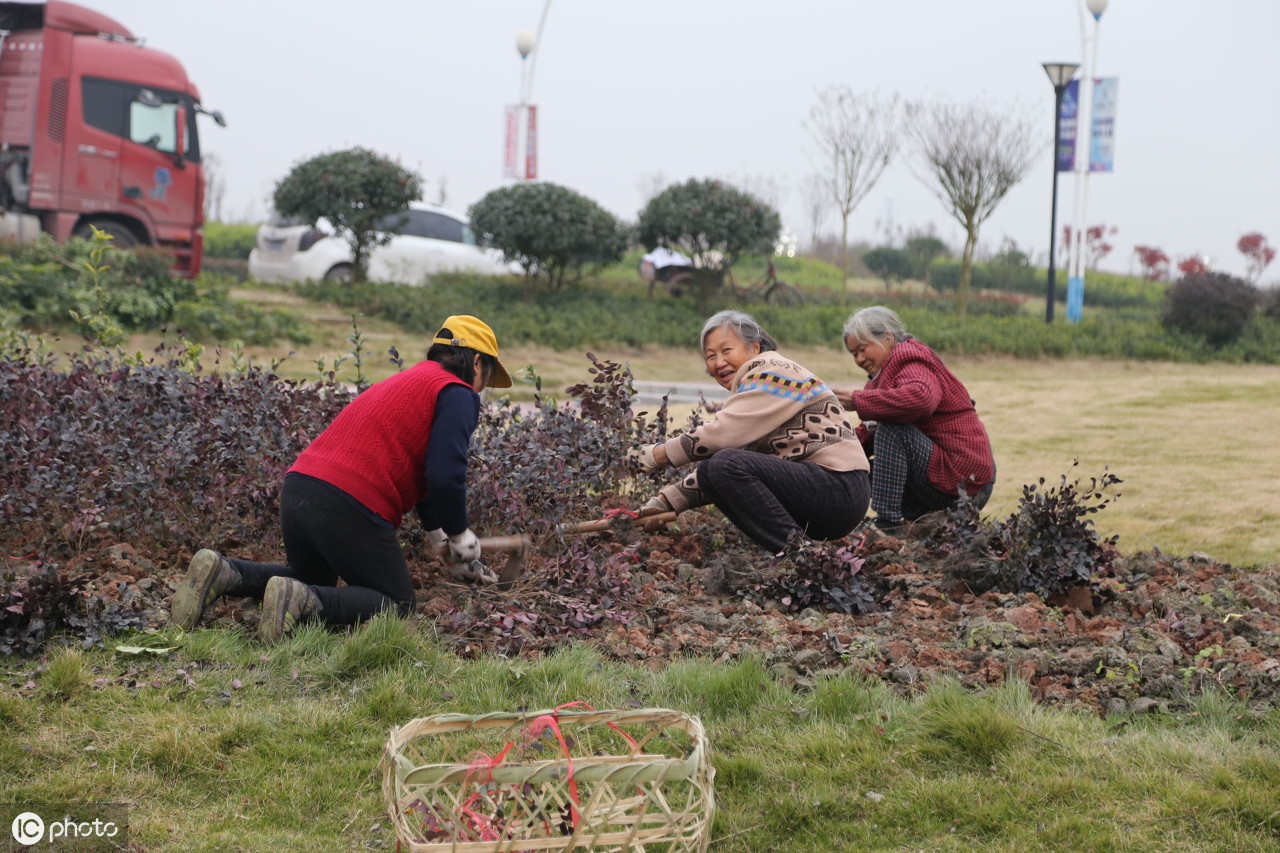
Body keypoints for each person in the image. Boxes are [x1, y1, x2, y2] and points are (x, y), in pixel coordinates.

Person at [169, 315, 512, 644]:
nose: (482, 389)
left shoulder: (409, 382)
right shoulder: (458, 392)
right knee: (397, 602)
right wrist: (460, 533)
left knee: (312, 582)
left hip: (301, 486)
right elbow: (445, 473)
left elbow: (424, 474)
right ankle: (300, 601)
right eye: (487, 377)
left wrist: (440, 537)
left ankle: (225, 572)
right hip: (350, 500)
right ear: (477, 362)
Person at [630, 310, 870, 554]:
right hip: (825, 492)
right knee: (713, 470)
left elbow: (723, 435)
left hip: (838, 487)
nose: (718, 362)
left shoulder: (773, 371)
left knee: (723, 464)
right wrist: (664, 503)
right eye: (710, 356)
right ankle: (800, 557)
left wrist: (655, 455)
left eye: (726, 350)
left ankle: (803, 558)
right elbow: (720, 468)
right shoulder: (754, 390)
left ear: (755, 347)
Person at [835, 306, 995, 531]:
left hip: (962, 479)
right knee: (861, 473)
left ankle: (887, 526)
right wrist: (832, 454)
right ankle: (835, 521)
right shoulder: (879, 379)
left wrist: (858, 401)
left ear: (887, 337)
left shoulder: (907, 356)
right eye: (854, 354)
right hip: (950, 481)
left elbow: (922, 399)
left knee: (893, 429)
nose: (860, 359)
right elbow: (870, 432)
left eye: (862, 349)